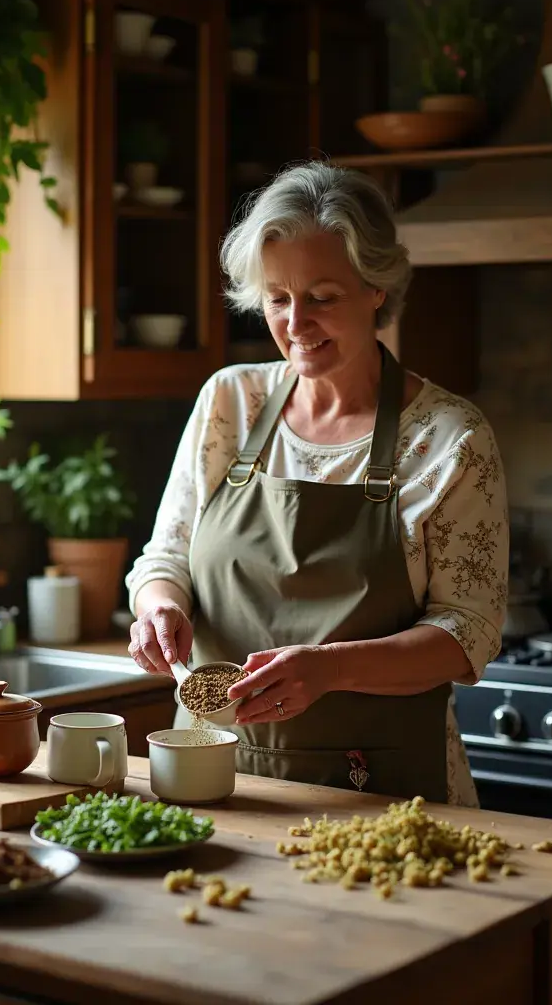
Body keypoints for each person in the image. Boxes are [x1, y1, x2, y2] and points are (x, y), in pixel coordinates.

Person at [125, 161, 507, 805]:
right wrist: (159, 606)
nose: (295, 324)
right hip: (214, 776)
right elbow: (167, 555)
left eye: (323, 297)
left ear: (376, 288)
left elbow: (468, 633)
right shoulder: (231, 401)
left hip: (382, 792)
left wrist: (331, 670)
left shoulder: (450, 438)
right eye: (277, 298)